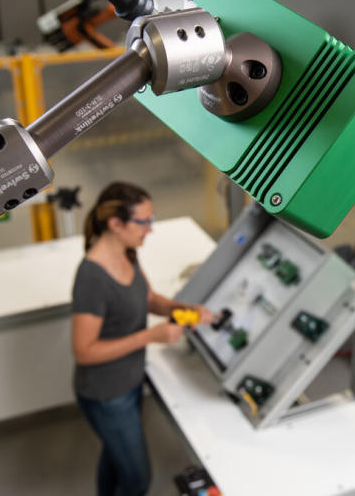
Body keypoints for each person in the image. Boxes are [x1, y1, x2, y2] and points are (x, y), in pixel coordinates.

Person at [71, 181, 214, 496]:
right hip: (107, 394)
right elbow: (84, 351)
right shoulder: (92, 278)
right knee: (137, 479)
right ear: (116, 223)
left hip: (130, 381)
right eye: (143, 221)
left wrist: (186, 309)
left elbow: (148, 298)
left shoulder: (128, 253)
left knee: (114, 457)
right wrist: (151, 335)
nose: (150, 229)